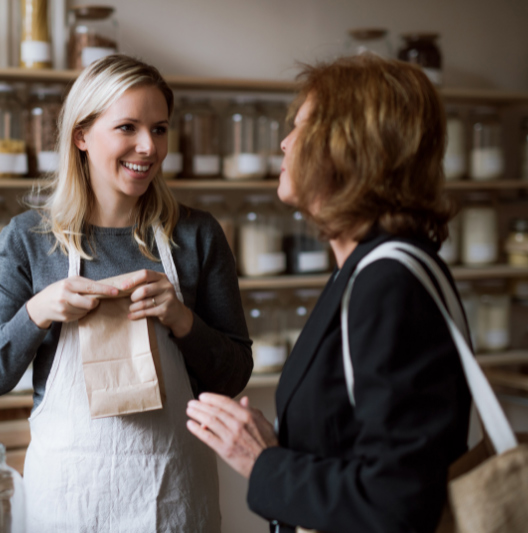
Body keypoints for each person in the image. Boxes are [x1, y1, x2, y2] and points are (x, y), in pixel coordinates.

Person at [0, 54, 252, 532]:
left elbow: (235, 374)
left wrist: (182, 320)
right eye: (127, 128)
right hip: (69, 503)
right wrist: (39, 311)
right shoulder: (29, 240)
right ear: (81, 135)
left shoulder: (198, 236)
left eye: (159, 129)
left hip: (174, 501)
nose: (148, 146)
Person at [187, 54, 472, 533]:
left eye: (299, 127)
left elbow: (396, 503)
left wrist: (262, 463)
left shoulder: (387, 284)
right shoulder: (362, 269)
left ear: (345, 148)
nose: (283, 142)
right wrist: (274, 447)